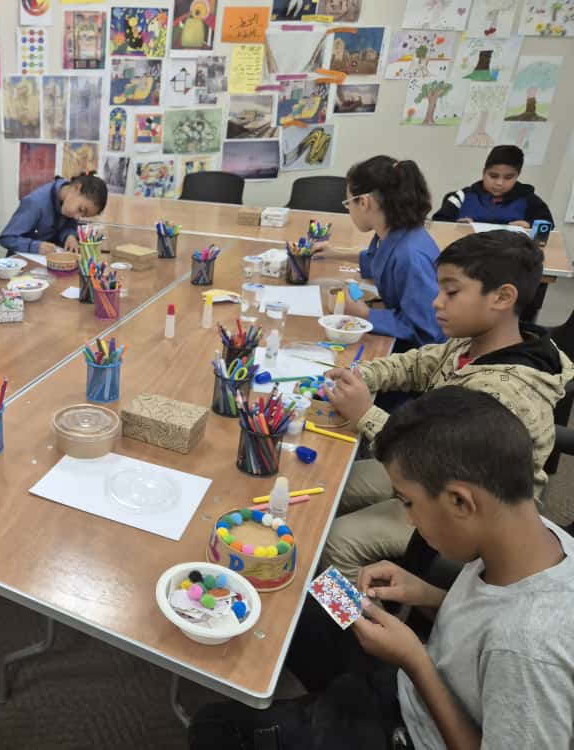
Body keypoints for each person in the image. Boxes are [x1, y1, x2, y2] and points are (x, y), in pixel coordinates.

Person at [189, 387, 574, 750]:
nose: (408, 520)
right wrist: (426, 594)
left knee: (212, 727)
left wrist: (415, 661)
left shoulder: (528, 649)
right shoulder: (535, 533)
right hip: (417, 672)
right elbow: (490, 612)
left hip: (411, 724)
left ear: (460, 501)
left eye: (407, 502)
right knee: (307, 591)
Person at [320, 230, 573, 581]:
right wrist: (360, 374)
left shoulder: (504, 395)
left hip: (463, 513)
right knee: (331, 485)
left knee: (338, 541)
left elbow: (434, 465)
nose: (437, 302)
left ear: (502, 297)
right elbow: (416, 364)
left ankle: (366, 614)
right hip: (430, 470)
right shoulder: (473, 343)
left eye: (451, 292)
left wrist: (365, 414)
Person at [313, 156, 444, 349]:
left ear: (364, 202)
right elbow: (380, 262)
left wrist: (364, 313)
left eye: (348, 203)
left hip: (420, 351)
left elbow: (427, 330)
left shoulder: (411, 256)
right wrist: (336, 253)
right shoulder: (398, 232)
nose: (349, 210)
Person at [433, 145, 554, 228]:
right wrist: (456, 225)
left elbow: (547, 225)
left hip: (512, 253)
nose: (499, 183)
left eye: (508, 177)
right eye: (493, 176)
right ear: (483, 172)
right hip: (467, 251)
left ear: (517, 176)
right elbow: (438, 222)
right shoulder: (462, 196)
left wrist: (530, 226)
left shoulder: (529, 199)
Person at [0, 173, 108, 256]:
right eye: (81, 209)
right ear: (76, 188)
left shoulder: (69, 202)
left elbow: (67, 225)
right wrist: (35, 247)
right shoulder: (35, 203)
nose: (77, 217)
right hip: (20, 265)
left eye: (83, 216)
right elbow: (6, 238)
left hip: (48, 264)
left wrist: (69, 236)